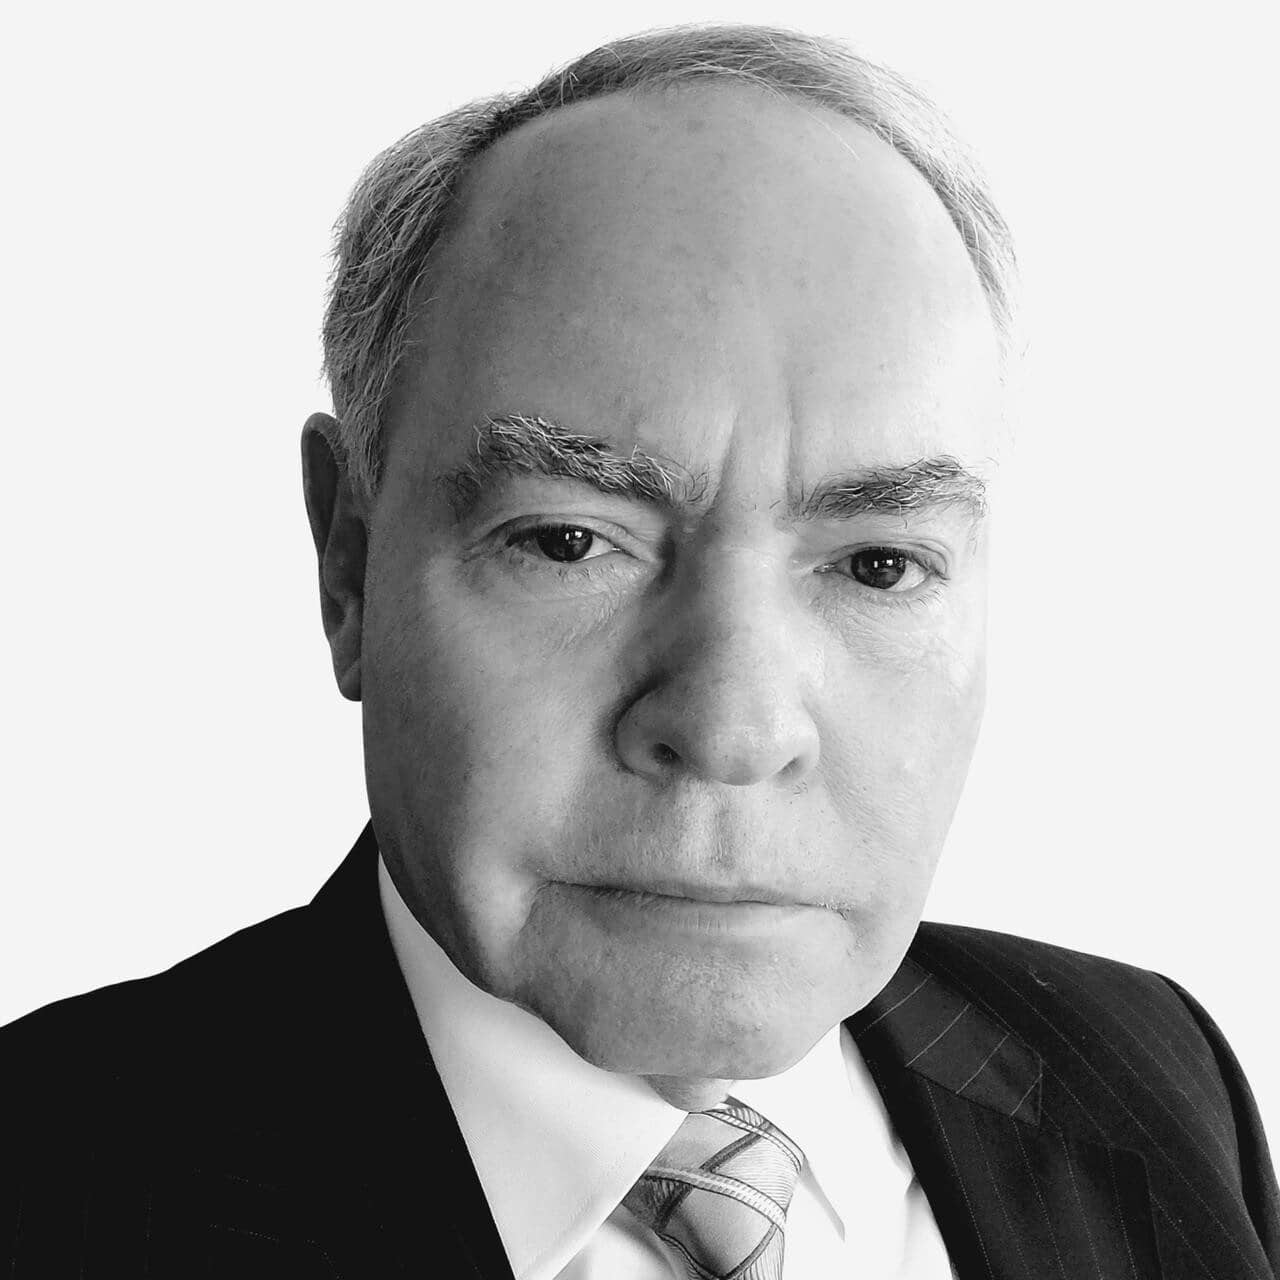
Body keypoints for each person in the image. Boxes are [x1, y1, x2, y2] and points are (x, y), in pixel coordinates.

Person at [2, 21, 1276, 1280]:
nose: (729, 727)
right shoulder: (46, 1182)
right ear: (349, 560)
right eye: (568, 541)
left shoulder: (1147, 1070)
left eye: (877, 562)